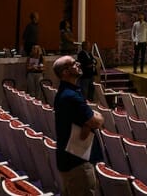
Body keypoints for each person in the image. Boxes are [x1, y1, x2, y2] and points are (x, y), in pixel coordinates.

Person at [53, 55, 103, 195]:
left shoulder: (68, 92)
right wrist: (90, 122)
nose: (79, 64)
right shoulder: (70, 96)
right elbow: (95, 121)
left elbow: (88, 123)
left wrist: (87, 125)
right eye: (74, 64)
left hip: (73, 156)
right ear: (65, 72)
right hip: (77, 161)